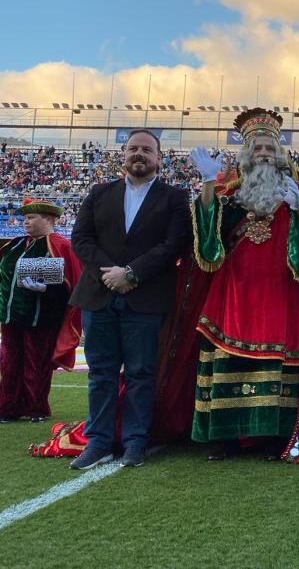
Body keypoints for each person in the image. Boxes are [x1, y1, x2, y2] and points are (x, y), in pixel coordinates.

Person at [188, 109, 299, 462]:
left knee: (281, 366)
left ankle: (273, 438)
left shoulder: (297, 192)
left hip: (281, 296)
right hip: (234, 294)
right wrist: (208, 183)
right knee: (228, 361)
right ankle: (223, 438)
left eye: (270, 148)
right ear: (247, 154)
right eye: (258, 148)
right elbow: (209, 244)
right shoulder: (228, 190)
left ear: (280, 153)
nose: (265, 153)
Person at [68, 129, 191, 469]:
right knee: (101, 373)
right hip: (99, 295)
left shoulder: (175, 198)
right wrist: (110, 273)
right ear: (123, 154)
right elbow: (81, 239)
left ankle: (136, 441)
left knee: (141, 373)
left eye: (147, 150)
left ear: (159, 158)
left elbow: (174, 244)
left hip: (146, 298)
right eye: (133, 148)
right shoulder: (99, 193)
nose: (139, 154)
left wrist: (132, 273)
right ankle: (99, 443)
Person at [0, 200, 82, 423]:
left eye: (31, 217)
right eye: (25, 218)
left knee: (36, 363)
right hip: (10, 316)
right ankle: (8, 407)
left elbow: (73, 286)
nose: (26, 221)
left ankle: (36, 408)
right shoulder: (14, 245)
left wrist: (46, 288)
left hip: (41, 317)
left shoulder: (61, 246)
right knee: (9, 363)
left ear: (48, 219)